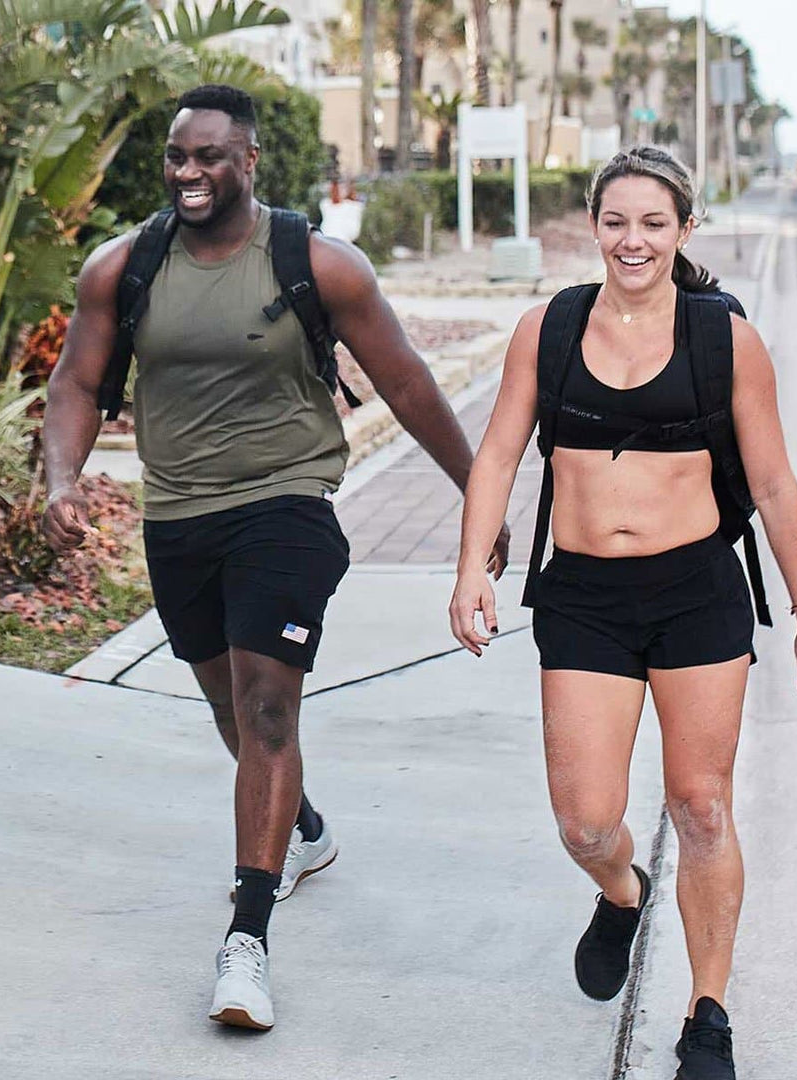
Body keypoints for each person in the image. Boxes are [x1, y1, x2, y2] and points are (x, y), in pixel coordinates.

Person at [42, 84, 508, 1032]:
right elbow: (78, 381)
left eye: (209, 155)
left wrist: (477, 490)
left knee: (266, 702)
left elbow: (408, 380)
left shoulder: (317, 264)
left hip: (288, 505)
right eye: (178, 155)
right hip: (178, 518)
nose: (188, 172)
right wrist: (59, 478)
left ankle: (246, 942)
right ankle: (300, 830)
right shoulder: (122, 268)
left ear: (250, 161)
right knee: (228, 705)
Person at [449, 146, 797, 1080]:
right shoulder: (546, 329)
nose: (634, 240)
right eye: (617, 221)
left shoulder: (724, 338)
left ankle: (708, 1015)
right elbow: (498, 455)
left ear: (684, 230)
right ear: (594, 226)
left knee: (702, 805)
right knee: (586, 823)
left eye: (654, 223)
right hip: (585, 598)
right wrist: (472, 569)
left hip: (697, 591)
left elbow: (777, 485)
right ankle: (622, 895)